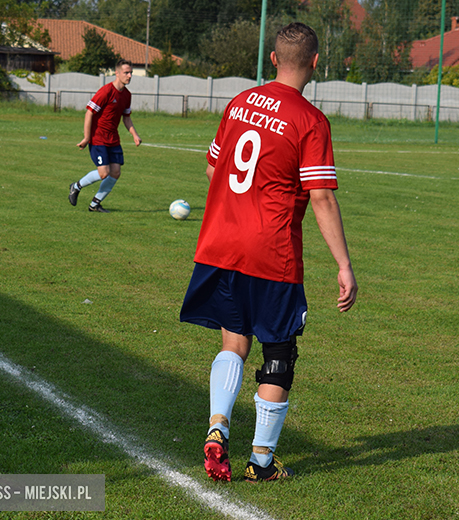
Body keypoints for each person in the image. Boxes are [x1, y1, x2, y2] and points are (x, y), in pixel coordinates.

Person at [179, 22, 358, 483]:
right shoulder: (310, 120)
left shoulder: (239, 102)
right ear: (316, 64)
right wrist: (344, 264)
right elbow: (321, 197)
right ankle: (261, 461)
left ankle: (218, 428)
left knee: (233, 340)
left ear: (273, 59)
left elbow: (212, 167)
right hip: (271, 252)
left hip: (220, 244)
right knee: (279, 349)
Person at [68, 59, 142, 213]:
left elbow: (126, 117)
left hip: (113, 139)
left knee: (115, 172)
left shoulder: (127, 95)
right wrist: (86, 138)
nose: (129, 76)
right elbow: (89, 112)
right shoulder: (106, 91)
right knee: (104, 173)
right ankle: (76, 186)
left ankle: (95, 204)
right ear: (117, 73)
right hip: (98, 138)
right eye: (126, 73)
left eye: (131, 73)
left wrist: (134, 135)